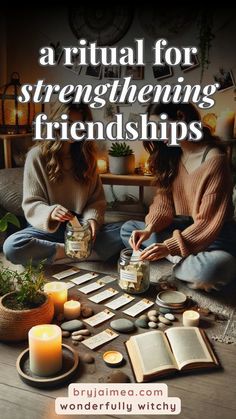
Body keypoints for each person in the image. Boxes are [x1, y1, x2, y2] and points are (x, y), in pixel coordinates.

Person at [121, 103, 236, 291]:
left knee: (211, 271)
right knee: (129, 230)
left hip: (214, 239)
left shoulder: (215, 160)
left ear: (181, 117)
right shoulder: (172, 156)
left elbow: (207, 223)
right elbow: (163, 202)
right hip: (181, 229)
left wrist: (168, 247)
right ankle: (180, 259)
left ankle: (176, 258)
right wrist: (149, 229)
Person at [3, 101, 123, 266]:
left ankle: (72, 251)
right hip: (47, 230)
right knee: (12, 246)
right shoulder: (37, 156)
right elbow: (32, 203)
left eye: (79, 125)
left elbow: (96, 200)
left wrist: (92, 220)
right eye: (68, 123)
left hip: (80, 229)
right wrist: (51, 212)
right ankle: (81, 252)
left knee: (127, 230)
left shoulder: (88, 157)